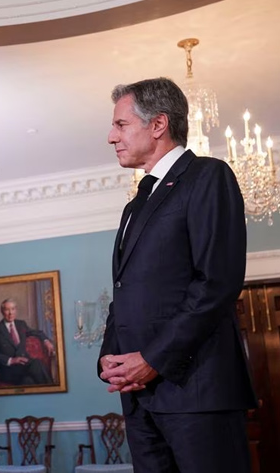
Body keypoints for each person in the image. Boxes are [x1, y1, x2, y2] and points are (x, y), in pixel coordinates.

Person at [98, 77, 256, 473]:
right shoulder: (135, 205)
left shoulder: (208, 176)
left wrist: (153, 358)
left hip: (198, 393)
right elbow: (124, 292)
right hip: (139, 397)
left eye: (121, 124)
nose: (111, 136)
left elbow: (215, 283)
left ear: (158, 125)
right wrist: (109, 357)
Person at [0, 298, 54, 385]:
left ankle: (50, 391)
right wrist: (11, 360)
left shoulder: (21, 324)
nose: (10, 313)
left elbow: (37, 332)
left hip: (25, 367)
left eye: (13, 309)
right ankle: (52, 389)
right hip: (8, 370)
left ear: (16, 310)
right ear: (2, 311)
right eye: (7, 310)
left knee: (28, 381)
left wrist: (46, 341)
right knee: (36, 363)